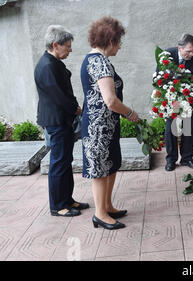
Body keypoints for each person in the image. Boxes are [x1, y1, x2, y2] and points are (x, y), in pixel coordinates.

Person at [80, 16, 139, 230]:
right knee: (100, 170)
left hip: (106, 126)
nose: (120, 46)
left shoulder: (95, 60)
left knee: (110, 166)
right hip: (99, 129)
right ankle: (100, 214)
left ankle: (107, 206)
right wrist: (131, 113)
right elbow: (111, 100)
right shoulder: (99, 62)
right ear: (110, 41)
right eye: (119, 41)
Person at [34, 25, 89, 217]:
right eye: (67, 46)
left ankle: (68, 199)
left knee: (65, 161)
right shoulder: (47, 65)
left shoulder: (52, 62)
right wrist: (75, 108)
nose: (70, 49)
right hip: (57, 121)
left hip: (62, 120)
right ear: (55, 45)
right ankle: (58, 206)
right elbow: (58, 96)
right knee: (58, 163)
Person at [160, 33, 193, 172]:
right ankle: (171, 160)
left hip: (186, 96)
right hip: (170, 95)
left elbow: (192, 81)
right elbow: (159, 77)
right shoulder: (167, 54)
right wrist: (170, 98)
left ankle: (187, 158)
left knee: (188, 126)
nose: (191, 54)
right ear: (179, 48)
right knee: (170, 127)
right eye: (188, 51)